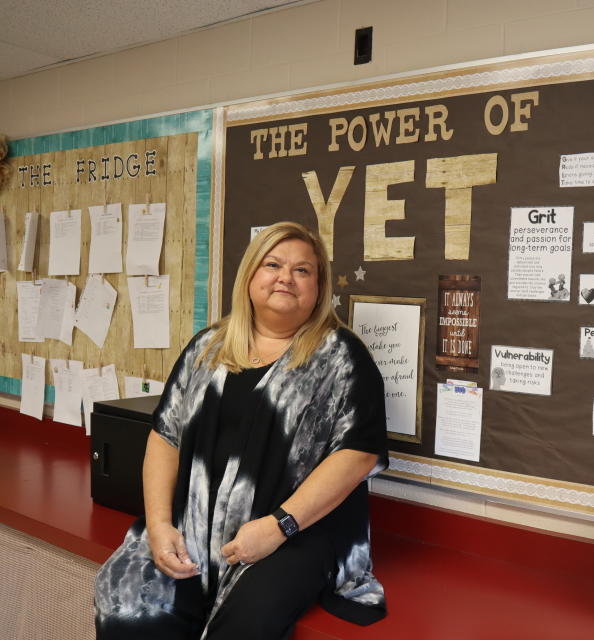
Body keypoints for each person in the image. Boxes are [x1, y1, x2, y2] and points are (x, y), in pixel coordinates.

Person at [95, 222, 388, 639]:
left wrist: (278, 526)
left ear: (318, 288)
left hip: (295, 535)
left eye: (303, 270)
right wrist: (160, 526)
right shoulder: (207, 348)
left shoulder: (343, 358)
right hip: (192, 524)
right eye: (273, 264)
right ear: (251, 275)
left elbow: (358, 455)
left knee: (243, 627)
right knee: (128, 609)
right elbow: (165, 437)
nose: (286, 277)